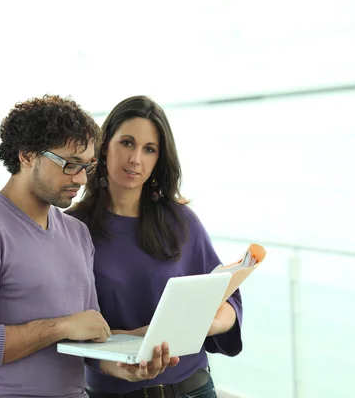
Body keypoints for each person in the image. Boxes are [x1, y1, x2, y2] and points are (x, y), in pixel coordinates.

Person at [0, 95, 175, 398]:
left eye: (87, 166)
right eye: (69, 164)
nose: (80, 178)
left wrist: (126, 363)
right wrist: (60, 327)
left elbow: (86, 338)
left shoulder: (77, 233)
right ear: (26, 156)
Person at [66, 95, 243, 398]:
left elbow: (229, 303)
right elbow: (65, 328)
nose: (136, 158)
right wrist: (125, 350)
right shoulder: (70, 229)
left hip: (193, 389)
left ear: (159, 159)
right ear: (104, 144)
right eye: (127, 143)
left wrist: (202, 325)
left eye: (149, 149)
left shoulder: (181, 221)